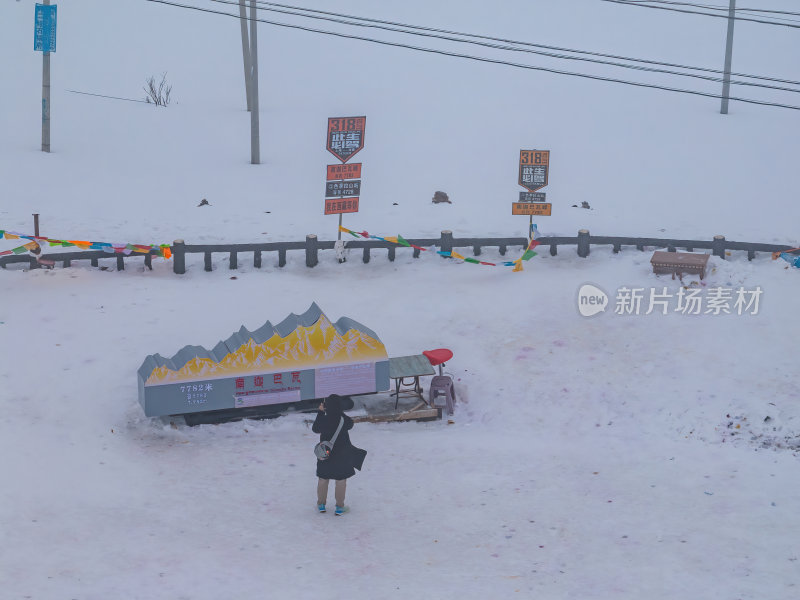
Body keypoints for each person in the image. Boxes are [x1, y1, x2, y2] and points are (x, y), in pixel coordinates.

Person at [312, 394, 366, 515]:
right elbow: (351, 424)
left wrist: (320, 413)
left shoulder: (324, 419)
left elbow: (315, 429)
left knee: (323, 478)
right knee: (341, 480)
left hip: (326, 453)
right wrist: (339, 412)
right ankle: (340, 507)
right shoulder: (344, 420)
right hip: (342, 454)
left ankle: (321, 504)